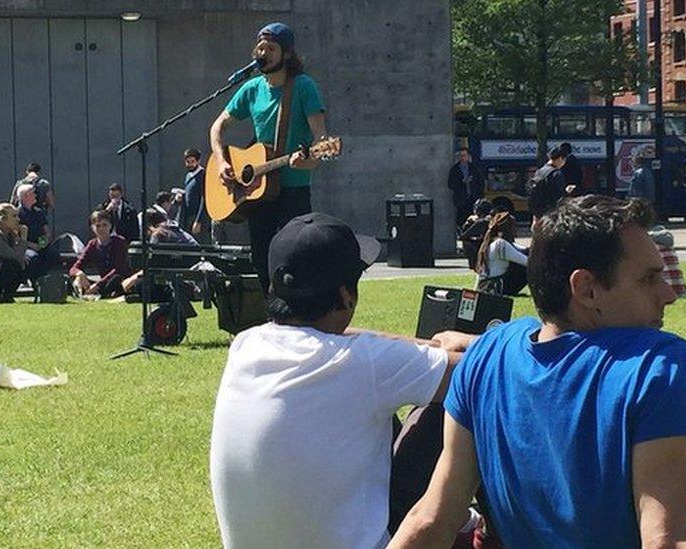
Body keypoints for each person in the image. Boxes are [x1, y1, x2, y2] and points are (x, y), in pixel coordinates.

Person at [390, 195, 686, 548]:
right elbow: (666, 542)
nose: (668, 294)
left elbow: (432, 519)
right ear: (585, 288)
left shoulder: (486, 356)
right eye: (649, 279)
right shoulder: (656, 364)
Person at [210, 212, 473, 549]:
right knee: (455, 400)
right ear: (346, 295)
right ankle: (487, 528)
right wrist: (473, 342)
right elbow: (475, 372)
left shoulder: (246, 344)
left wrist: (429, 345)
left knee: (381, 413)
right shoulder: (364, 363)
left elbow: (349, 338)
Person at [210, 22, 327, 292]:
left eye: (271, 48)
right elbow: (217, 127)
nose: (263, 52)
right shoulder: (251, 89)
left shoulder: (303, 86)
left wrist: (308, 159)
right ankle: (273, 315)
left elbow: (321, 141)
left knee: (295, 258)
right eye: (260, 47)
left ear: (286, 54)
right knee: (261, 258)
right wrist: (221, 161)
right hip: (258, 190)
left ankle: (300, 316)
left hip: (293, 189)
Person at [69, 210, 133, 299]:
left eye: (105, 225)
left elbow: (118, 269)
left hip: (120, 280)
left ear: (110, 226)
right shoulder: (92, 244)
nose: (101, 229)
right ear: (92, 228)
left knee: (115, 279)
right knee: (73, 279)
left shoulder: (119, 241)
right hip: (103, 282)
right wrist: (79, 274)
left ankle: (101, 292)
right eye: (98, 226)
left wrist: (97, 285)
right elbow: (74, 268)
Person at [474, 212, 527, 296]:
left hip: (483, 285)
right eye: (514, 226)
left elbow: (519, 248)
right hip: (496, 286)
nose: (516, 229)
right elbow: (527, 262)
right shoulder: (501, 244)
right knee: (528, 266)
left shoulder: (489, 243)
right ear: (508, 228)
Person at [16, 183, 57, 283]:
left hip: (40, 243)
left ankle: (41, 278)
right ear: (25, 196)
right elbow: (15, 237)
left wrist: (43, 243)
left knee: (53, 254)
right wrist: (32, 245)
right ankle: (34, 280)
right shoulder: (17, 214)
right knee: (33, 257)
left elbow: (46, 231)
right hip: (25, 246)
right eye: (32, 193)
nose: (35, 196)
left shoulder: (38, 212)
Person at [526, 146, 571, 221]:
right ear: (560, 158)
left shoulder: (539, 172)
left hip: (537, 213)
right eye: (564, 160)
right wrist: (566, 191)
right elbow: (559, 197)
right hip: (551, 214)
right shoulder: (556, 174)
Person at [447, 149, 483, 227]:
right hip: (461, 200)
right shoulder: (455, 170)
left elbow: (480, 183)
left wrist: (479, 197)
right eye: (461, 156)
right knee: (461, 221)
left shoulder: (474, 169)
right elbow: (450, 184)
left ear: (468, 156)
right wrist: (462, 182)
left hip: (473, 199)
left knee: (473, 221)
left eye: (464, 155)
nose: (462, 157)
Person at [182, 148, 209, 242]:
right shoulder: (188, 176)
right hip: (188, 217)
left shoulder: (203, 175)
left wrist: (198, 220)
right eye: (187, 162)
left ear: (198, 161)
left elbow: (204, 198)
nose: (189, 164)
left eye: (192, 161)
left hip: (200, 218)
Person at [459, 199, 493, 271]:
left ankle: (475, 265)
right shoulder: (493, 219)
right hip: (493, 247)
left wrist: (468, 222)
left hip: (487, 250)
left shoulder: (482, 222)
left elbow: (463, 236)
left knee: (467, 242)